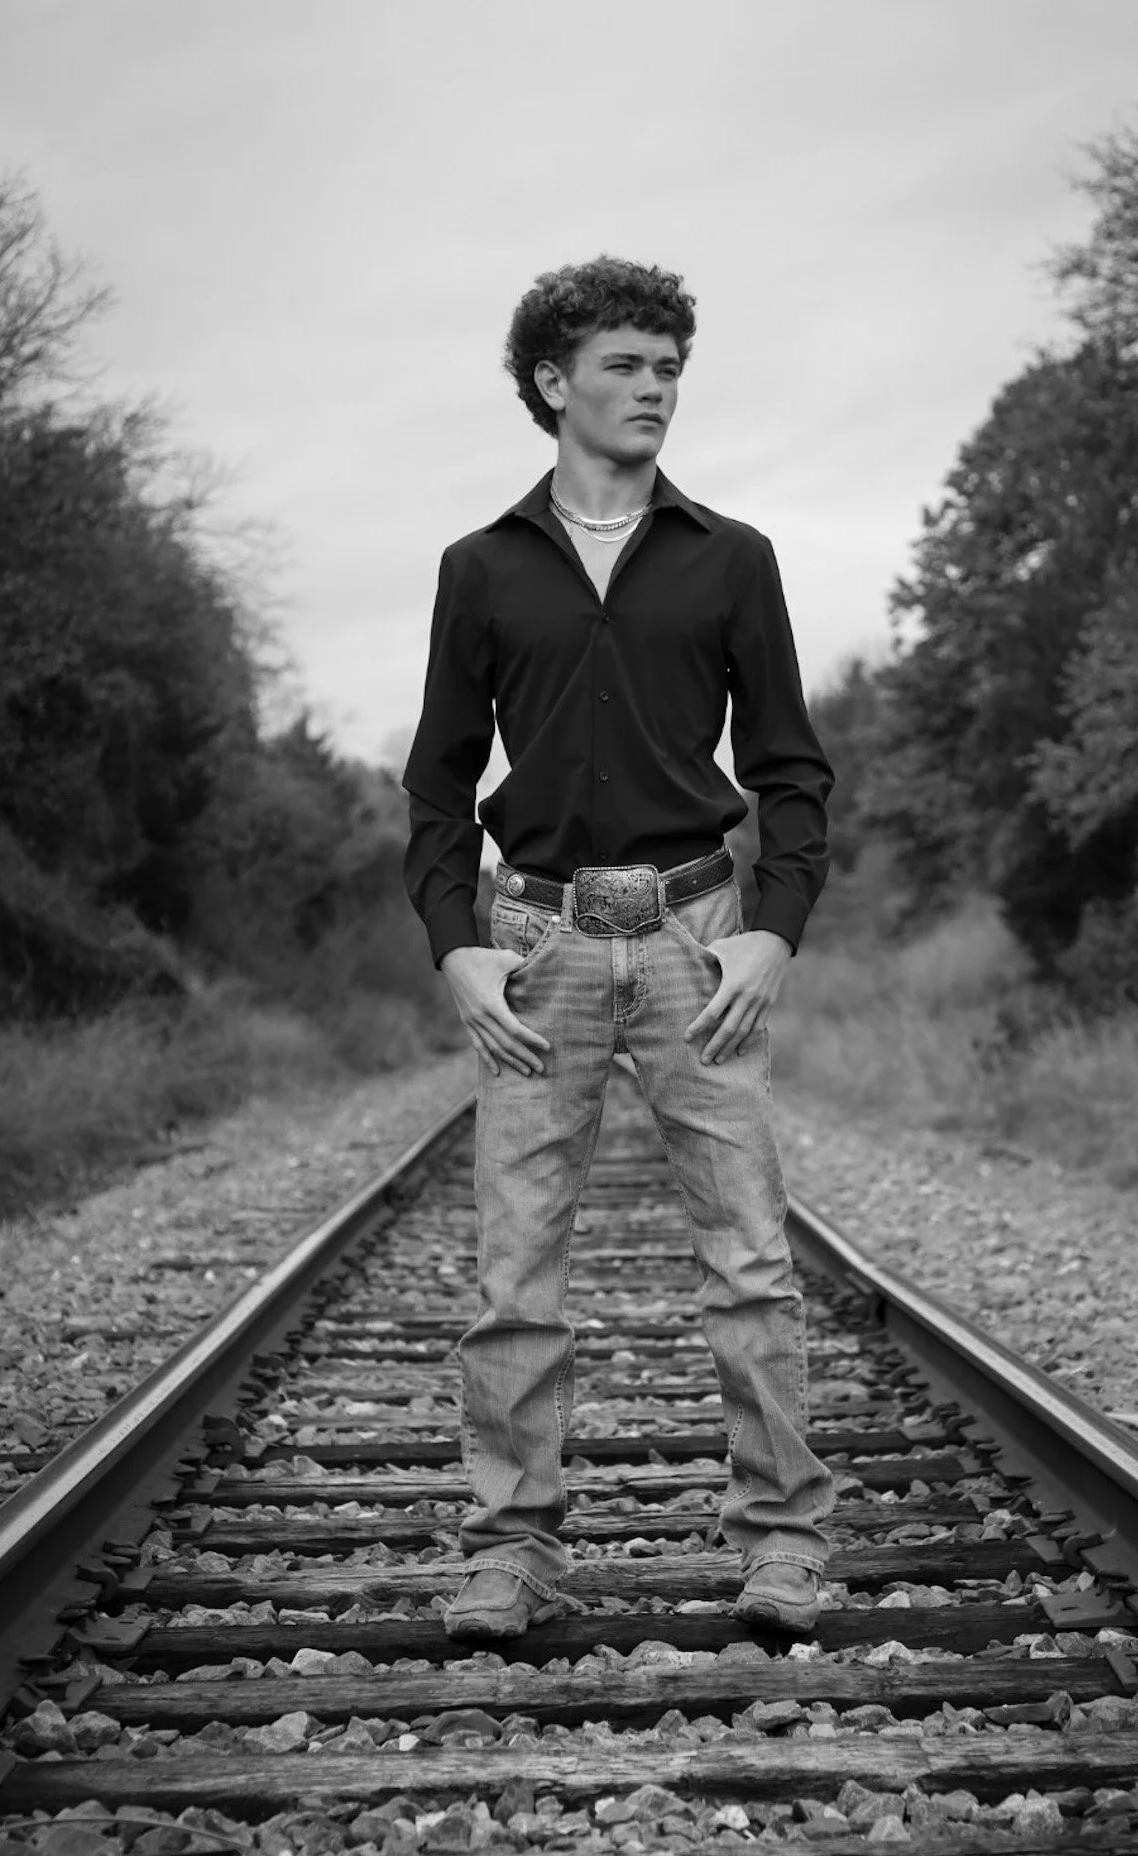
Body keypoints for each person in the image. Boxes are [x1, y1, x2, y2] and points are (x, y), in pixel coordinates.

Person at [402, 255, 836, 1641]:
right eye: (626, 367)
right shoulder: (480, 570)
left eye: (669, 369)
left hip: (701, 937)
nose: (655, 390)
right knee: (517, 1272)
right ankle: (513, 1552)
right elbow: (436, 785)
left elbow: (791, 771)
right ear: (553, 383)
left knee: (750, 1258)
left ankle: (783, 1543)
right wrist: (457, 947)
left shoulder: (732, 559)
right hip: (538, 943)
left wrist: (773, 934)